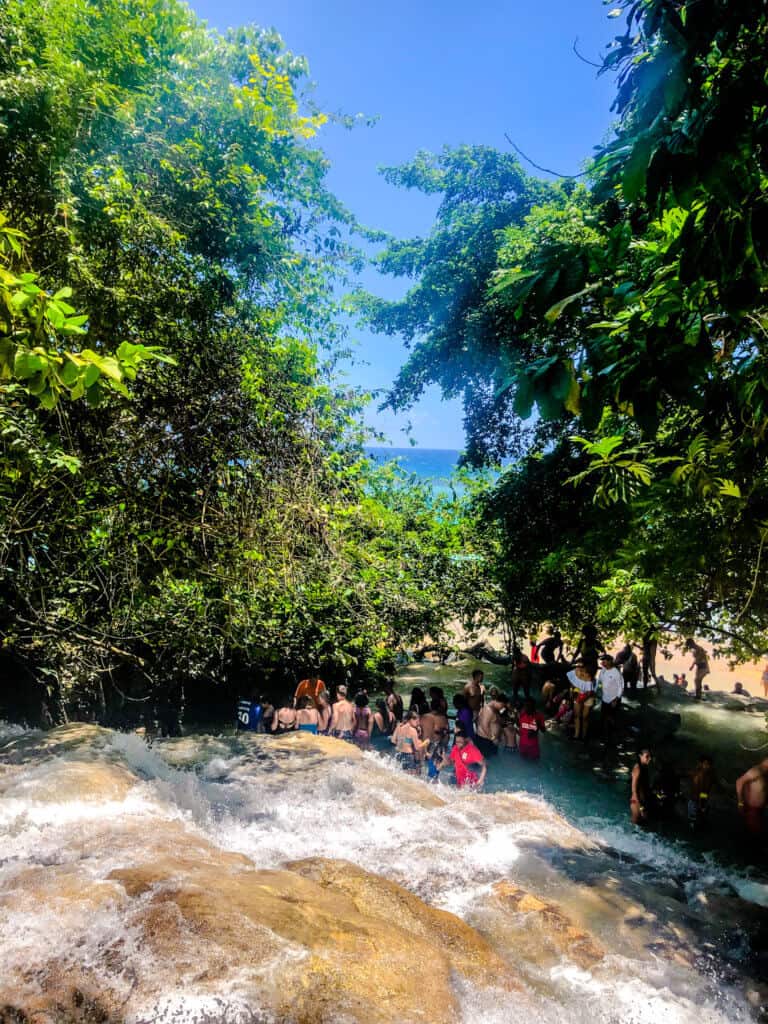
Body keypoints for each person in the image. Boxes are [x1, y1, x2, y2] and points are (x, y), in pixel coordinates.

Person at [439, 725, 487, 789]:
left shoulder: (472, 750)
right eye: (456, 742)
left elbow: (484, 765)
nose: (458, 744)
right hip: (459, 780)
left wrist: (480, 781)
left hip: (470, 783)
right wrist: (444, 759)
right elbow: (451, 761)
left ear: (465, 740)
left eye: (460, 742)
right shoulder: (455, 748)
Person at [736, 757, 768, 836]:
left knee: (755, 833)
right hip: (751, 809)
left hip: (759, 810)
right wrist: (740, 802)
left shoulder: (765, 772)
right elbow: (739, 782)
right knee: (754, 834)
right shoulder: (756, 771)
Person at [597, 653, 624, 741]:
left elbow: (621, 686)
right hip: (605, 698)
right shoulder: (603, 670)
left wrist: (616, 699)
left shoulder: (616, 672)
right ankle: (604, 735)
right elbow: (599, 681)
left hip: (614, 699)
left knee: (612, 718)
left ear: (609, 661)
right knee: (603, 717)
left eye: (604, 661)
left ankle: (613, 736)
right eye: (602, 661)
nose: (602, 663)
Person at [567, 662, 596, 741]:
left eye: (580, 666)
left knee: (585, 717)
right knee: (577, 715)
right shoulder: (575, 673)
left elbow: (590, 692)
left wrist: (582, 698)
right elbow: (572, 686)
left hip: (588, 696)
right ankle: (576, 735)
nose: (578, 668)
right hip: (578, 695)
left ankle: (584, 735)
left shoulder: (589, 675)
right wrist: (572, 693)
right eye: (577, 666)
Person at [688, 753, 714, 830]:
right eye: (705, 764)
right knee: (694, 823)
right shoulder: (699, 775)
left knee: (700, 822)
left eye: (709, 764)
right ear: (701, 764)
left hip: (701, 802)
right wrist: (702, 805)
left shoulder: (709, 775)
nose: (707, 766)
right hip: (695, 802)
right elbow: (702, 792)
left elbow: (705, 791)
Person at [630, 749, 653, 825]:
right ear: (640, 756)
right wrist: (641, 807)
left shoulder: (645, 768)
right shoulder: (638, 768)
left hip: (642, 802)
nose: (650, 758)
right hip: (636, 803)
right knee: (635, 827)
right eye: (647, 756)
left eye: (650, 756)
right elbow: (634, 790)